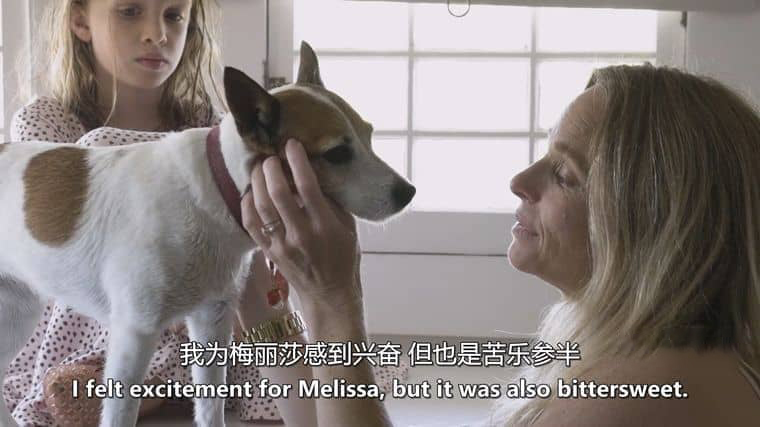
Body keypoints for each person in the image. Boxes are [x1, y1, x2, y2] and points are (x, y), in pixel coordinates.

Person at [241, 63, 760, 426]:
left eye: (565, 173)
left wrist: (335, 303)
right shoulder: (659, 359)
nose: (520, 180)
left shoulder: (638, 397)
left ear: (652, 219)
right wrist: (269, 307)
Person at [2, 0, 408, 425]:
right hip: (87, 315)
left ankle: (168, 387)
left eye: (174, 15)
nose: (157, 33)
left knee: (236, 295)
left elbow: (243, 283)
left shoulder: (212, 124)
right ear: (80, 20)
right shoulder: (48, 123)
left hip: (210, 320)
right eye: (130, 11)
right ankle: (126, 383)